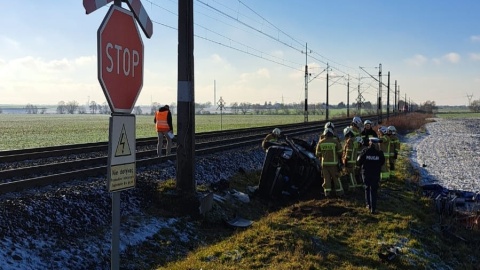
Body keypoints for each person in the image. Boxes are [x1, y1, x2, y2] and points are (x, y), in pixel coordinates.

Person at [357, 137, 385, 214]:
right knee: (374, 190)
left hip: (366, 173)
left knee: (367, 188)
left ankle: (368, 205)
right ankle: (373, 208)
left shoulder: (365, 151)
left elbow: (359, 161)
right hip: (375, 174)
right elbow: (382, 162)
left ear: (370, 143)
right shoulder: (379, 153)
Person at [316, 128, 344, 197]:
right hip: (333, 164)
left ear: (324, 134)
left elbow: (317, 154)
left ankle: (327, 193)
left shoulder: (321, 142)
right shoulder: (335, 142)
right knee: (336, 179)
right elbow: (340, 152)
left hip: (324, 165)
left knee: (326, 180)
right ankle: (339, 193)